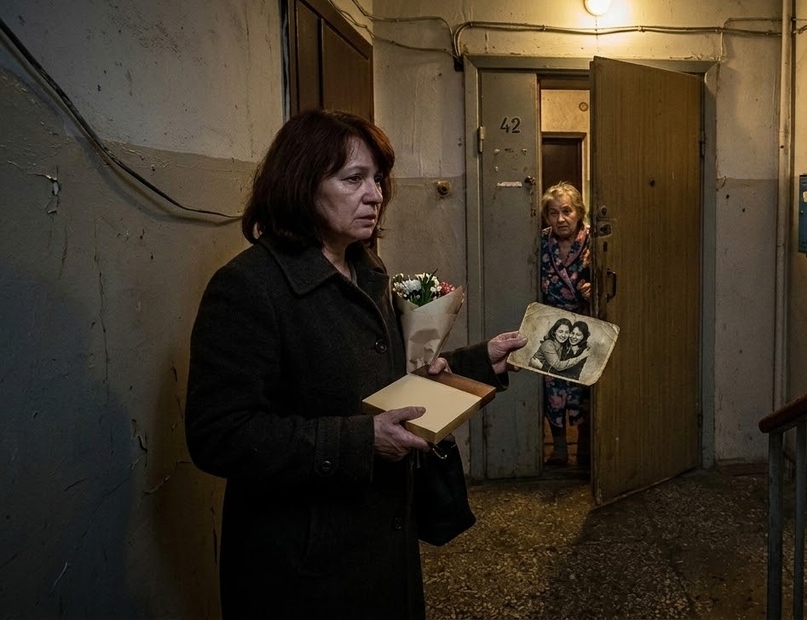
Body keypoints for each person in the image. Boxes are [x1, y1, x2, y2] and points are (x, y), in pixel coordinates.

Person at [184, 109, 527, 619]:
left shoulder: (366, 269)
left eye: (378, 178)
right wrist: (362, 441)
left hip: (379, 540)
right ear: (301, 185)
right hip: (305, 567)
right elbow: (218, 434)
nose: (376, 195)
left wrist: (478, 363)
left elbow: (384, 385)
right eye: (354, 179)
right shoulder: (248, 287)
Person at [538, 182, 592, 467]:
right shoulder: (541, 242)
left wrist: (593, 289)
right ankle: (559, 448)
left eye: (567, 211)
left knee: (584, 388)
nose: (560, 219)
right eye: (553, 212)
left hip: (585, 325)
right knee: (552, 388)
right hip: (552, 325)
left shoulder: (593, 240)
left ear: (579, 212)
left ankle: (585, 448)